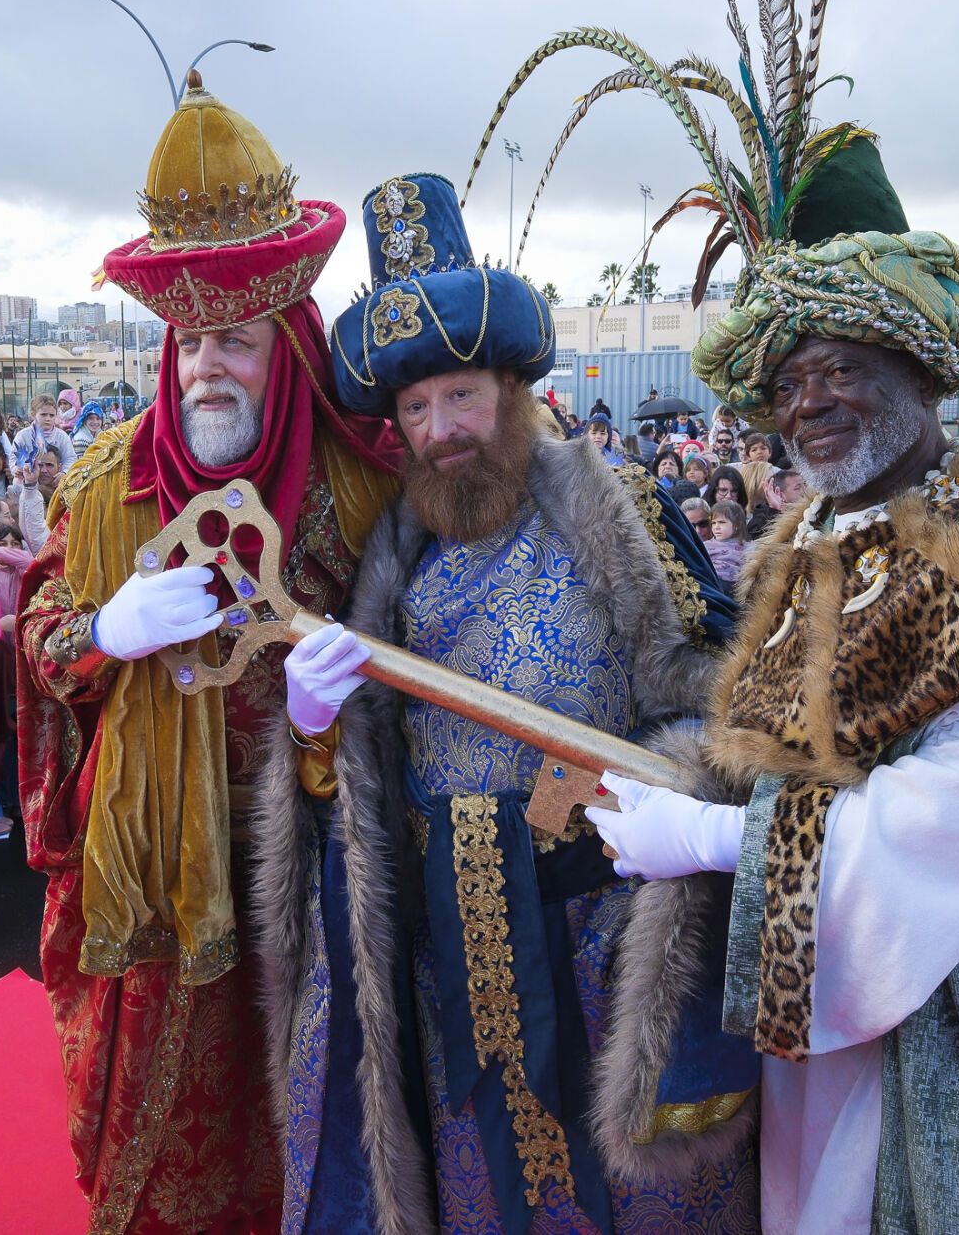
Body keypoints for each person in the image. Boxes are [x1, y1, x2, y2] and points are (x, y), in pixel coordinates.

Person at [543, 0, 959, 1218]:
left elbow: (953, 833)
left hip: (952, 1029)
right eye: (785, 378)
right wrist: (676, 774)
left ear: (917, 363)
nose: (810, 399)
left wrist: (721, 839)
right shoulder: (803, 546)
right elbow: (780, 750)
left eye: (837, 362)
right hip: (822, 1018)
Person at [256, 173, 749, 1229]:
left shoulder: (619, 511)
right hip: (453, 937)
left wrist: (601, 802)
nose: (441, 429)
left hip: (596, 917)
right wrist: (310, 731)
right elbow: (361, 779)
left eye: (461, 396)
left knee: (640, 1203)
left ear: (512, 391)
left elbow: (716, 691)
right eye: (416, 407)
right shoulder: (386, 558)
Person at [13, 74, 403, 1231]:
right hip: (160, 876)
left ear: (286, 342)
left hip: (325, 859)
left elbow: (435, 668)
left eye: (231, 339)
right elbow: (38, 644)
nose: (202, 368)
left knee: (328, 1123)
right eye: (186, 343)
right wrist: (104, 632)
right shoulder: (99, 486)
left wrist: (342, 721)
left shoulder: (369, 484)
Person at [11, 395, 78, 473]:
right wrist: (15, 469)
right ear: (33, 415)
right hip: (29, 479)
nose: (48, 419)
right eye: (43, 414)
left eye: (52, 415)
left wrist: (64, 473)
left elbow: (70, 458)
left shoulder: (62, 436)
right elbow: (14, 457)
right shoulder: (23, 435)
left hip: (54, 481)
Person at [708, 499, 748, 583]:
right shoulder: (705, 546)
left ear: (737, 524)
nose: (716, 527)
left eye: (722, 522)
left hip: (734, 589)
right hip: (711, 584)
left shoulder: (748, 548)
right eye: (713, 523)